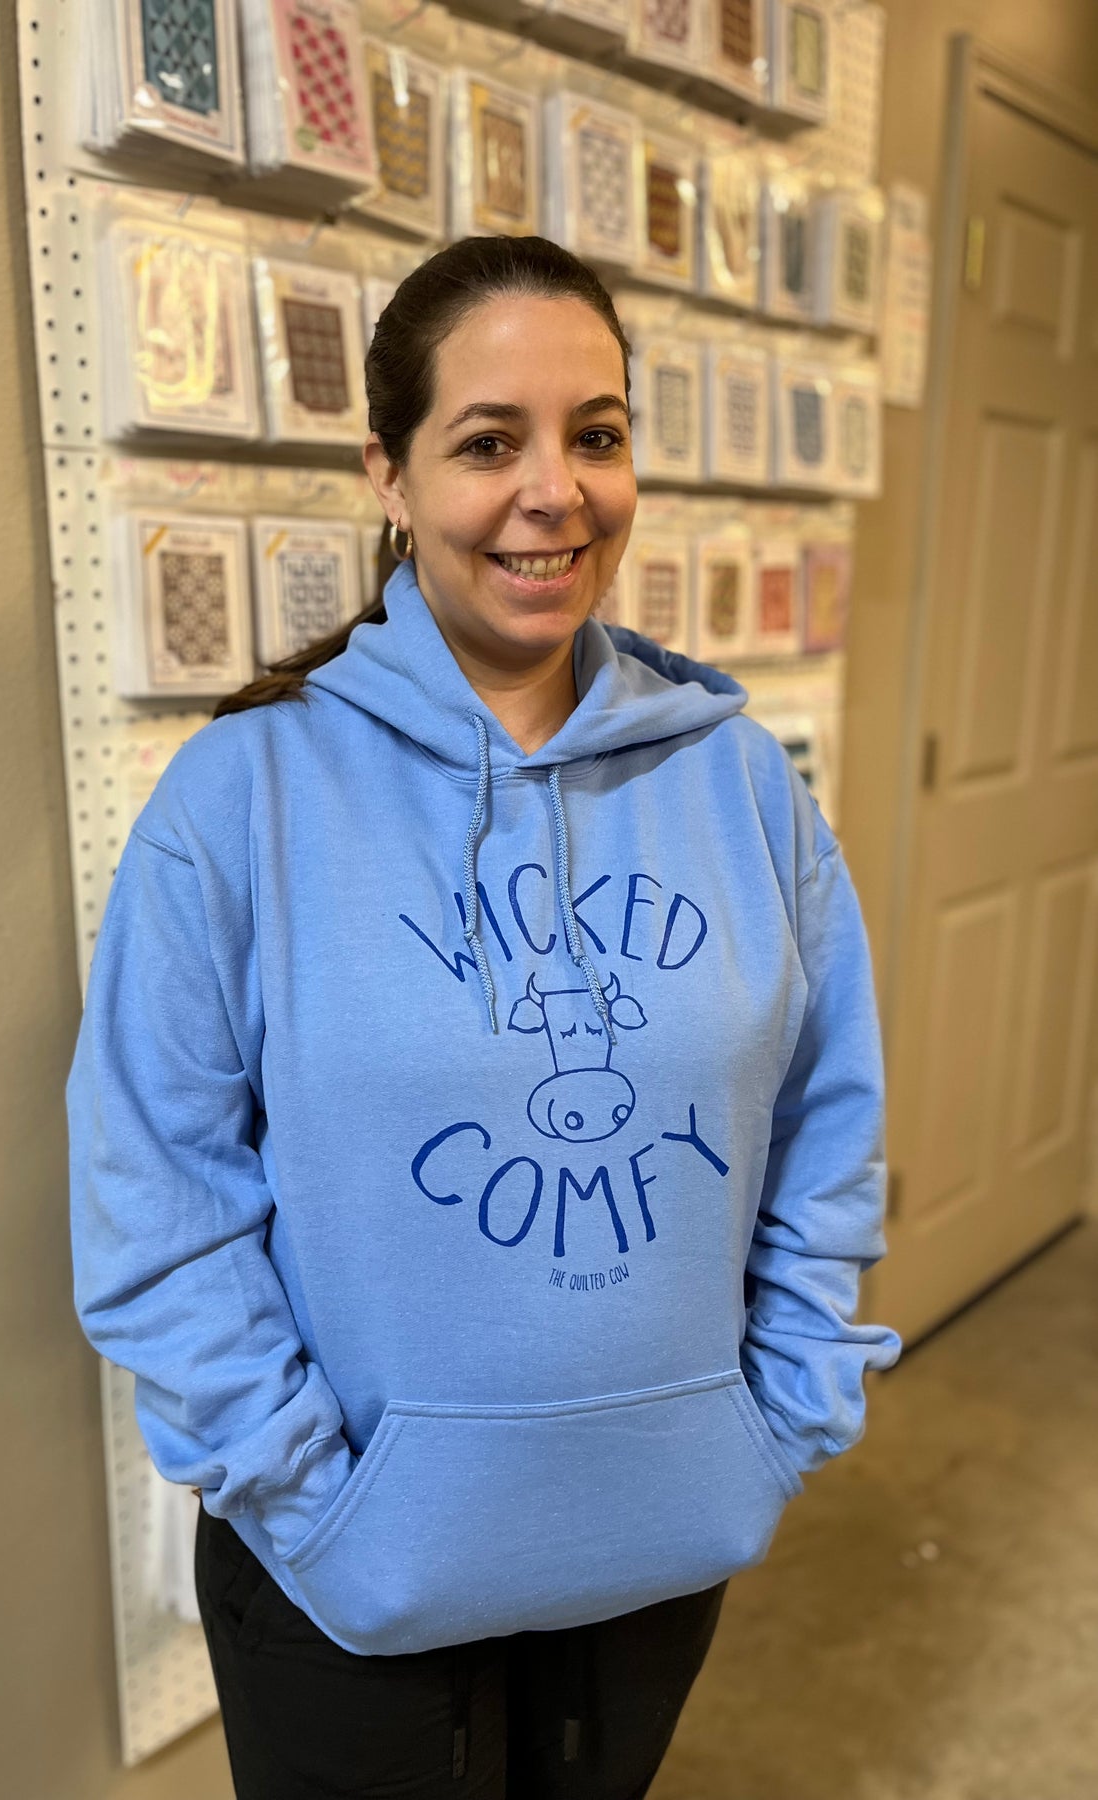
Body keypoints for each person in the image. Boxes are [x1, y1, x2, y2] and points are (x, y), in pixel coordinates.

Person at [67, 235, 902, 1797]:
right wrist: (313, 1497)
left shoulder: (737, 783)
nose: (554, 492)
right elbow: (154, 1193)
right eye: (487, 443)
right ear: (388, 475)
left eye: (595, 434)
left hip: (659, 1534)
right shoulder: (242, 796)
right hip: (346, 1571)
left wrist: (780, 1414)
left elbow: (825, 1121)